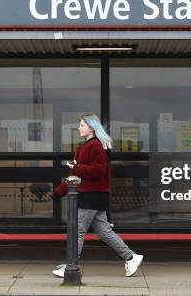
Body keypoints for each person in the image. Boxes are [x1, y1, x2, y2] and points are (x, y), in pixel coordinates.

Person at [51, 113, 144, 278]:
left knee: (77, 231)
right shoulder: (83, 148)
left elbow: (98, 171)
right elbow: (76, 176)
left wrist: (76, 167)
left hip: (91, 196)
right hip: (94, 196)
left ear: (91, 127)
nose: (79, 128)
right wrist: (59, 192)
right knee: (104, 231)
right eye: (79, 125)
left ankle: (71, 265)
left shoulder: (95, 146)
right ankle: (131, 257)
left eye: (82, 125)